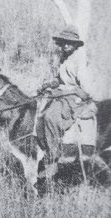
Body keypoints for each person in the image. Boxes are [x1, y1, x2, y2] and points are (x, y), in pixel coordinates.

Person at [38, 24, 97, 165]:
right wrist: (50, 83)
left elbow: (86, 90)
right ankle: (42, 146)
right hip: (63, 95)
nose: (66, 45)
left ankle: (53, 154)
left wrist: (66, 91)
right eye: (64, 42)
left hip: (76, 98)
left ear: (75, 44)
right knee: (37, 107)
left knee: (50, 116)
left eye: (69, 42)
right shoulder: (65, 58)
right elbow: (61, 79)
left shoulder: (79, 60)